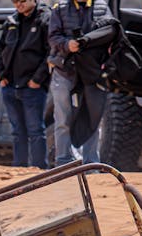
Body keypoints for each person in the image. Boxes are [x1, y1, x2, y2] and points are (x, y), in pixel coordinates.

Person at [48, 0, 112, 167]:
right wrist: (67, 45)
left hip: (91, 72)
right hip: (64, 71)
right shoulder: (60, 9)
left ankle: (91, 163)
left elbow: (109, 32)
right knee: (63, 118)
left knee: (92, 118)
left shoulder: (102, 7)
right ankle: (63, 163)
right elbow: (53, 37)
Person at [0, 0, 51, 169]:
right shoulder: (11, 21)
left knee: (36, 131)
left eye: (22, 1)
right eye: (15, 1)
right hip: (10, 85)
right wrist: (0, 75)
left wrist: (37, 80)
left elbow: (51, 53)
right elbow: (1, 51)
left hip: (32, 88)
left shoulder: (45, 19)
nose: (18, 4)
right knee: (17, 131)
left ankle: (39, 170)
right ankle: (19, 169)